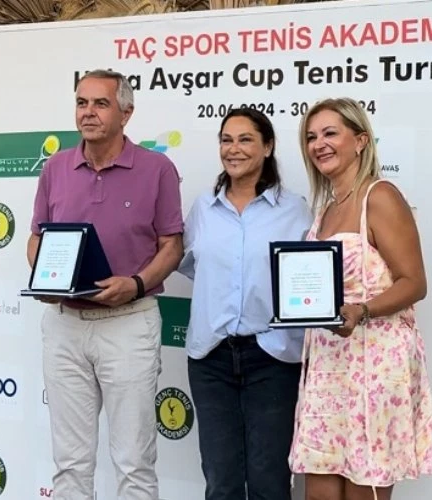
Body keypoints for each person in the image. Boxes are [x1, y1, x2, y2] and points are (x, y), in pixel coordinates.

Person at [27, 69, 184, 500]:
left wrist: (136, 284)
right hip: (65, 325)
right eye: (82, 103)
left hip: (128, 323)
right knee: (71, 462)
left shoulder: (157, 168)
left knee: (134, 462)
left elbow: (172, 246)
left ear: (126, 113)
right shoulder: (56, 167)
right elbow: (37, 238)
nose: (88, 113)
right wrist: (45, 278)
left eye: (101, 103)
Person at [288, 97, 432, 500]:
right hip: (328, 362)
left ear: (361, 141)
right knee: (318, 491)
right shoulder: (325, 210)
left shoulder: (380, 196)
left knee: (362, 493)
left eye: (330, 133)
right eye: (311, 137)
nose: (319, 144)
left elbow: (414, 282)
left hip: (374, 362)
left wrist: (361, 310)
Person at [178, 108, 313, 500]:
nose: (233, 149)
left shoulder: (295, 210)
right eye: (226, 140)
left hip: (272, 358)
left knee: (270, 481)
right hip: (211, 358)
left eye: (245, 139)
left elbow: (307, 277)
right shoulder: (203, 208)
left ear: (268, 147)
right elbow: (193, 265)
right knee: (221, 482)